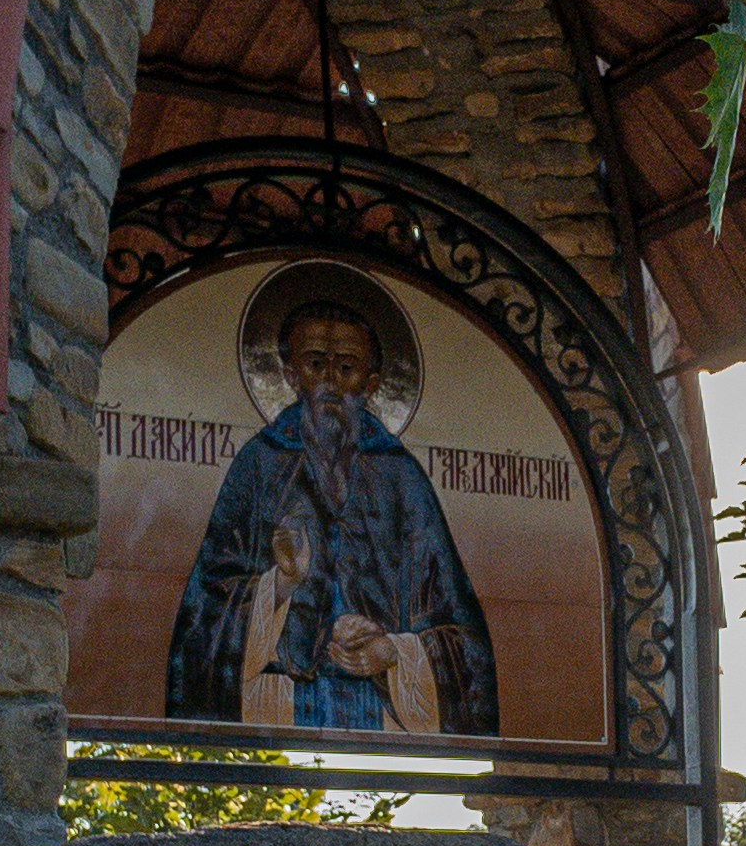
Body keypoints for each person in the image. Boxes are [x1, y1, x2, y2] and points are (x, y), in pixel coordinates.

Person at [165, 294, 498, 736]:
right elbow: (202, 619)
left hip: (388, 709)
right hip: (276, 705)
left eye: (346, 368)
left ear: (372, 382)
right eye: (316, 365)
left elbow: (459, 631)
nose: (330, 384)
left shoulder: (401, 477)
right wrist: (279, 583)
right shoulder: (261, 464)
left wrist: (396, 650)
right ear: (290, 375)